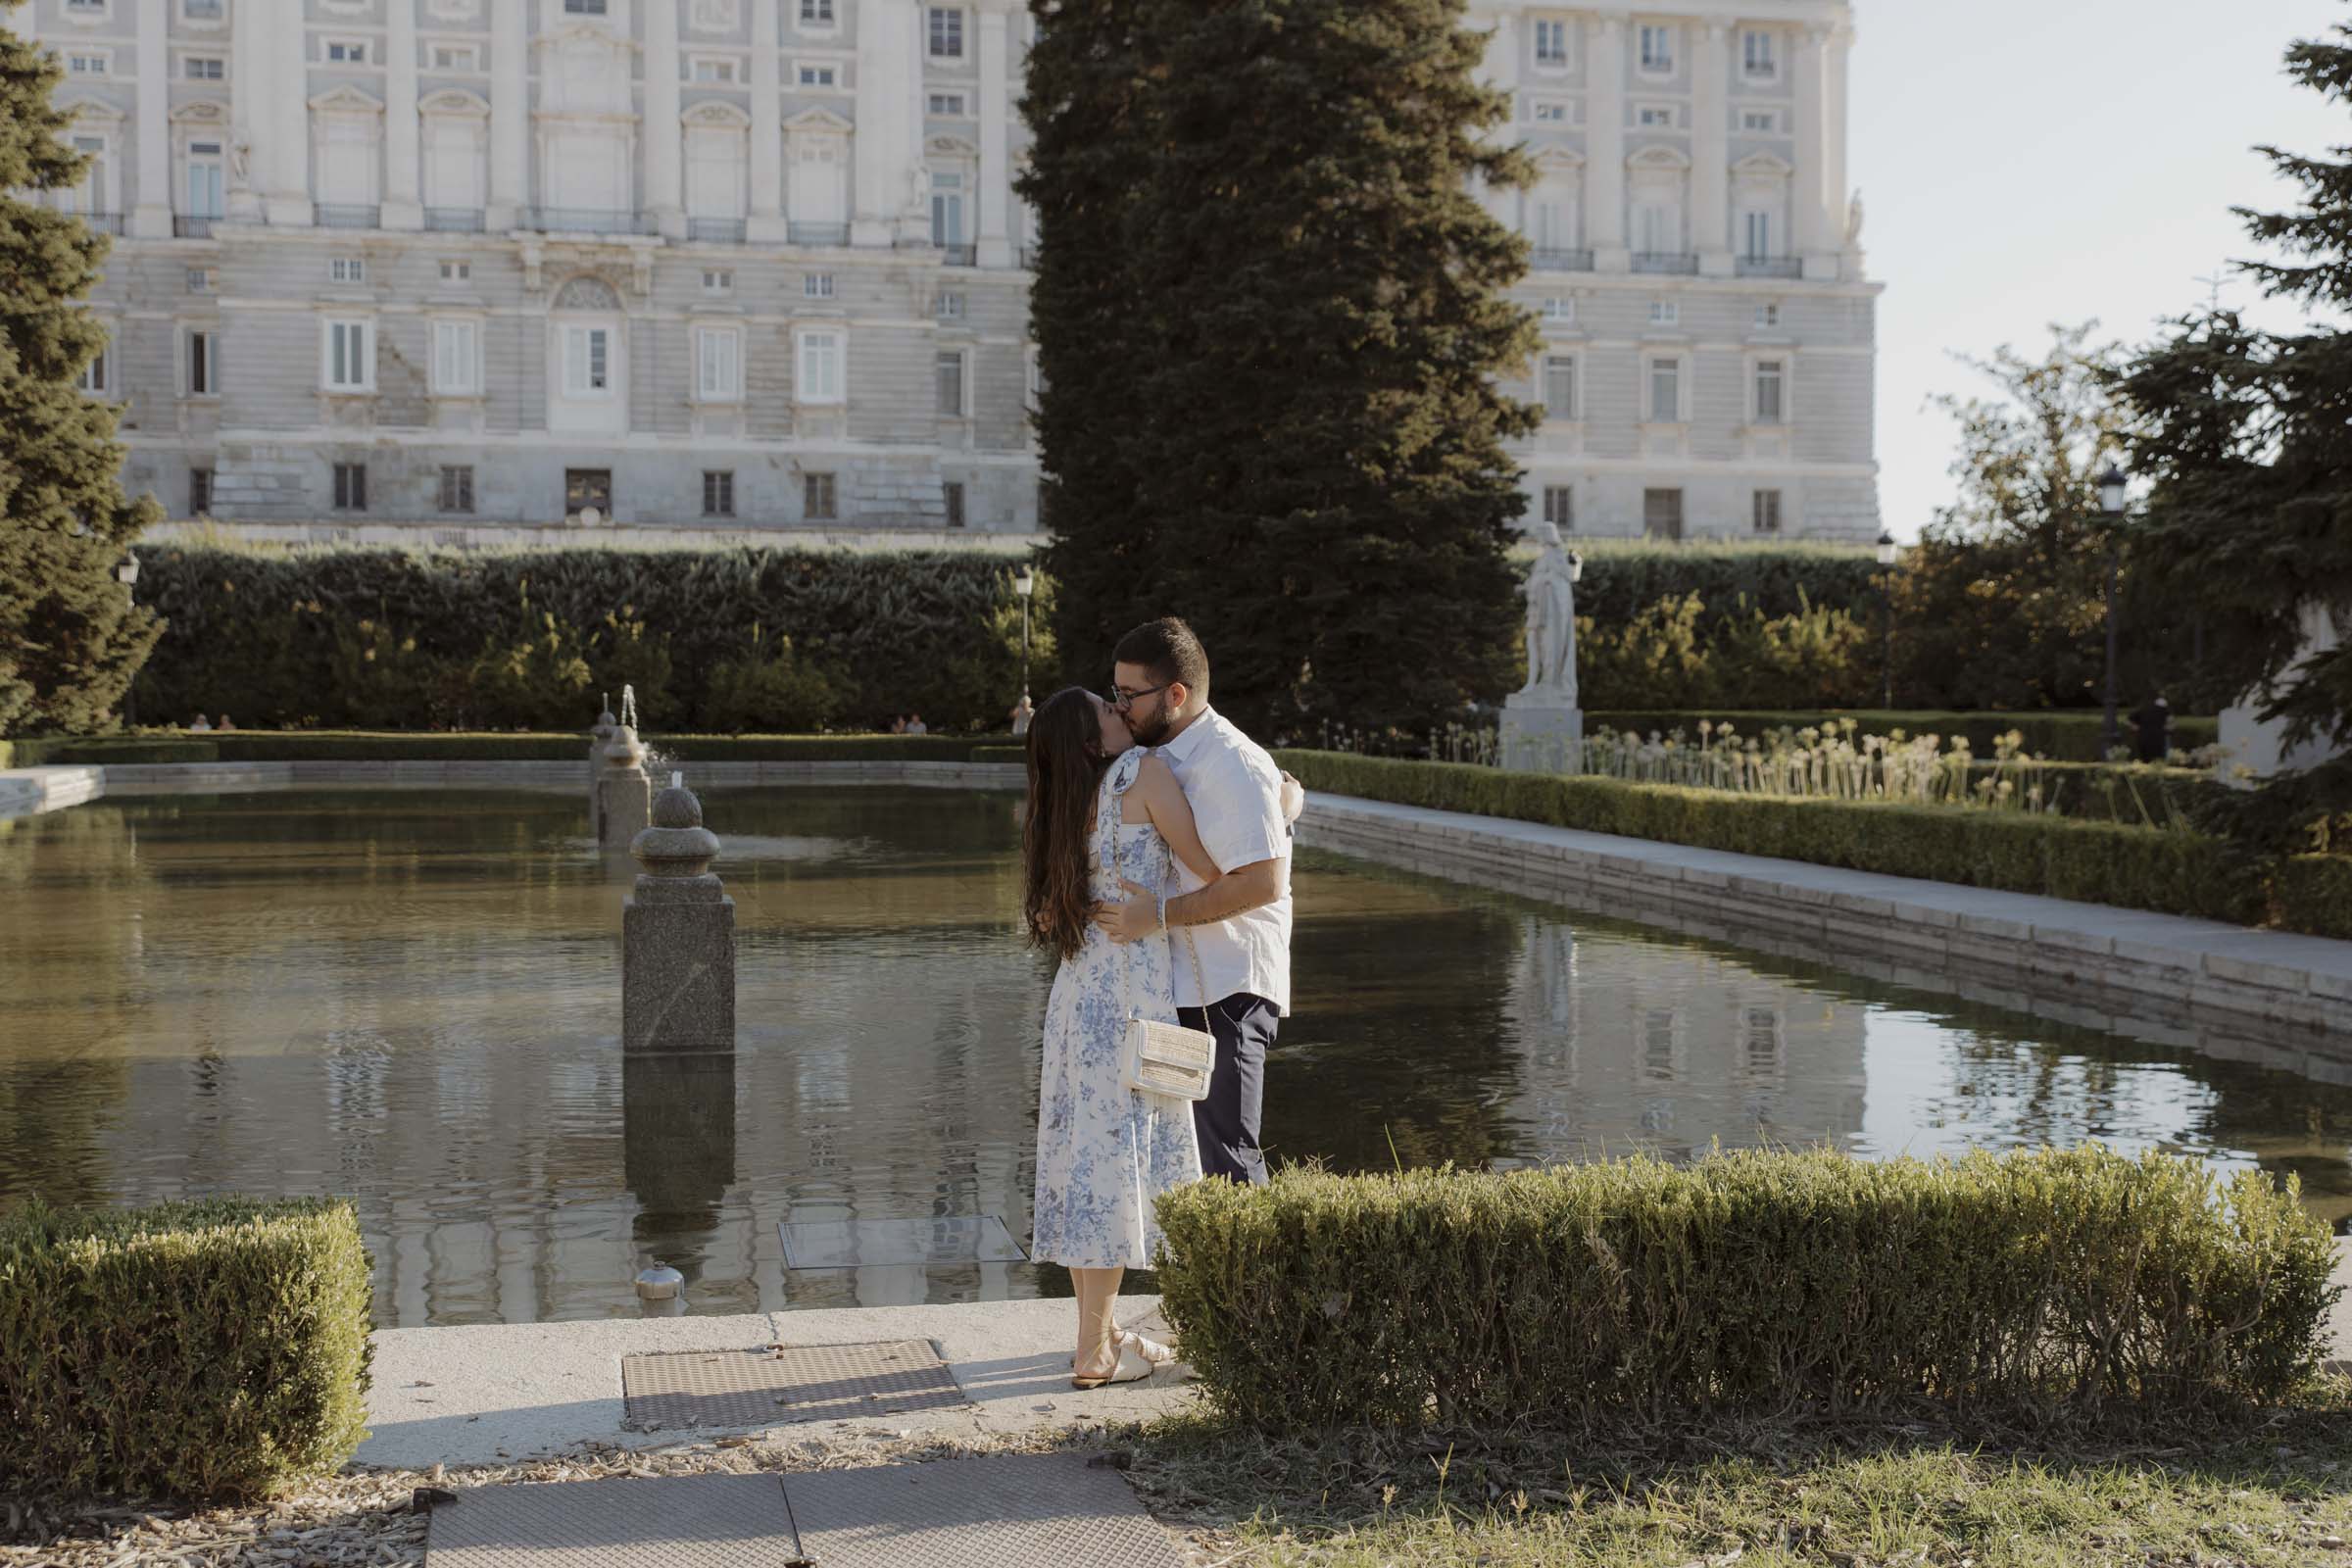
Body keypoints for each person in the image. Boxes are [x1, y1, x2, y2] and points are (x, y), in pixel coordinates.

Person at [1023, 685, 1218, 1389]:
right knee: (1119, 1161)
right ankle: (1095, 1351)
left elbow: (1049, 916)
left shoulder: (1059, 808)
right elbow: (1209, 868)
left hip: (1077, 998)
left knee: (1088, 1161)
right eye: (1108, 713)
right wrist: (1285, 812)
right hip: (1134, 990)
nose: (1121, 714)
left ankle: (1097, 1338)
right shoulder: (1142, 774)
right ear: (1091, 740)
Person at [1094, 618, 1293, 1188]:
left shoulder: (1231, 762)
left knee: (1226, 1160)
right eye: (1117, 693)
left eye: (1129, 696)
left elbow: (1262, 884)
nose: (1121, 706)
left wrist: (1156, 916)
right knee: (1185, 1169)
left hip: (1229, 990)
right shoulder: (1161, 758)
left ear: (1175, 696)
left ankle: (1255, 1281)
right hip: (1183, 985)